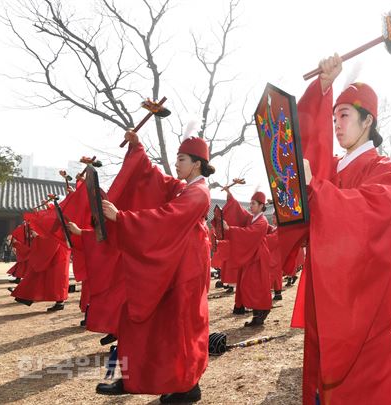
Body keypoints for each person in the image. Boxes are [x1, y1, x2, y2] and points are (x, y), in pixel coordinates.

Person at [285, 53, 391, 404]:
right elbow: (310, 145)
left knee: (362, 385)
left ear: (368, 120)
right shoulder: (334, 166)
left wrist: (319, 190)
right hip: (327, 288)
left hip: (364, 298)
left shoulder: (385, 170)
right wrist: (324, 88)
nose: (336, 125)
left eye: (344, 116)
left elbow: (370, 214)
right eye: (334, 117)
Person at [80, 131, 212, 404]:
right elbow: (157, 181)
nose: (176, 164)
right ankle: (152, 378)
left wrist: (123, 218)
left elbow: (166, 218)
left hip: (186, 269)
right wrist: (138, 150)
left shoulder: (198, 193)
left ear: (197, 163)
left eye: (181, 159)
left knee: (181, 328)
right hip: (173, 264)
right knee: (158, 324)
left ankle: (187, 386)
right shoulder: (185, 188)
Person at [222, 190, 272, 326]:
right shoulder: (252, 218)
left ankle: (261, 312)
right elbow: (240, 213)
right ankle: (258, 313)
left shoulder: (262, 222)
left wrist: (230, 229)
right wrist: (230, 196)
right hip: (252, 255)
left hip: (259, 257)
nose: (251, 206)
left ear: (261, 205)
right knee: (249, 284)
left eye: (253, 203)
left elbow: (249, 233)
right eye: (250, 203)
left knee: (256, 285)